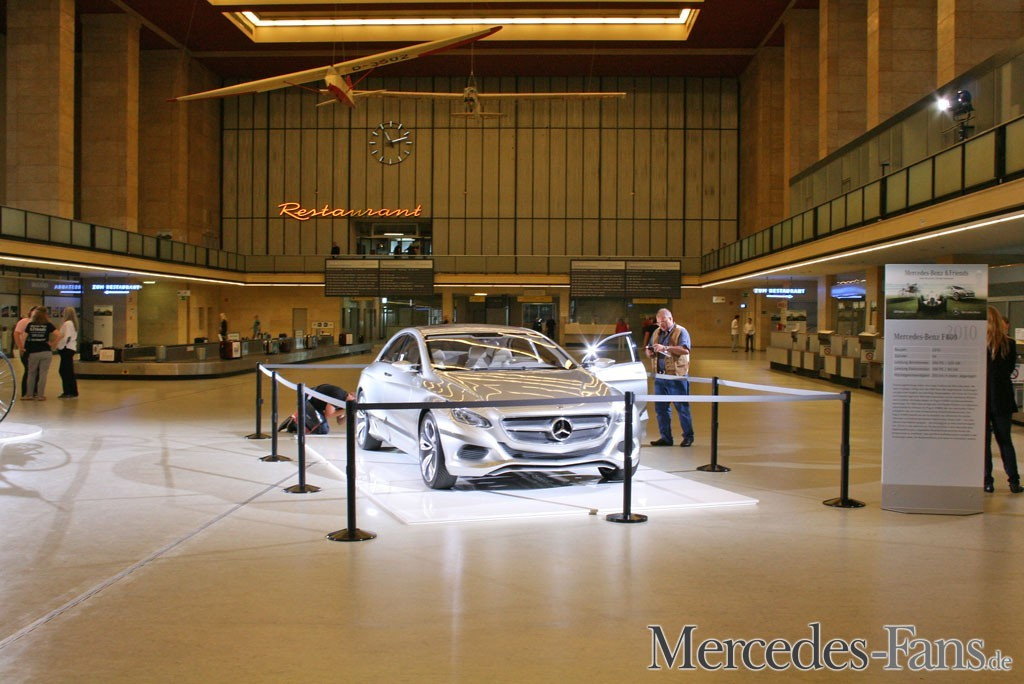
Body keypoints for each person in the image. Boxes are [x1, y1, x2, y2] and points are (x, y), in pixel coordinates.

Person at [984, 306, 1021, 493]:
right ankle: (1014, 481)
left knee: (984, 443)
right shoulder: (1010, 344)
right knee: (1005, 440)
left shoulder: (978, 343)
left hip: (982, 399)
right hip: (1003, 398)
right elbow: (1009, 370)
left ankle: (987, 481)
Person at [645, 308, 694, 447]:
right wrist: (649, 352)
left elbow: (685, 350)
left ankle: (688, 437)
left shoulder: (681, 331)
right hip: (660, 378)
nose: (661, 325)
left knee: (682, 408)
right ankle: (666, 438)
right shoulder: (656, 332)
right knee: (661, 409)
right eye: (659, 322)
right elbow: (649, 348)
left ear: (671, 318)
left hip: (676, 377)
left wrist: (666, 348)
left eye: (663, 321)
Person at [23, 307, 60, 401]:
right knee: (43, 374)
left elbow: (24, 337)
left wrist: (23, 347)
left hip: (33, 352)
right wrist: (53, 343)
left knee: (31, 373)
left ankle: (29, 395)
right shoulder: (48, 325)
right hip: (46, 352)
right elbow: (59, 335)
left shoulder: (30, 325)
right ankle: (40, 395)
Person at [14, 305, 40, 398]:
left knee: (37, 370)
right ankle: (26, 391)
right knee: (28, 370)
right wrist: (20, 346)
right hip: (25, 349)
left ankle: (34, 390)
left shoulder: (39, 323)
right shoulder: (24, 322)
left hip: (36, 350)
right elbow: (16, 334)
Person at [56, 306, 79, 399]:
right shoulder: (72, 323)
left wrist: (61, 346)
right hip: (70, 348)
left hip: (66, 348)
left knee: (65, 371)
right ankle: (72, 391)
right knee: (68, 370)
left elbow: (67, 337)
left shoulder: (68, 323)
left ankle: (68, 391)